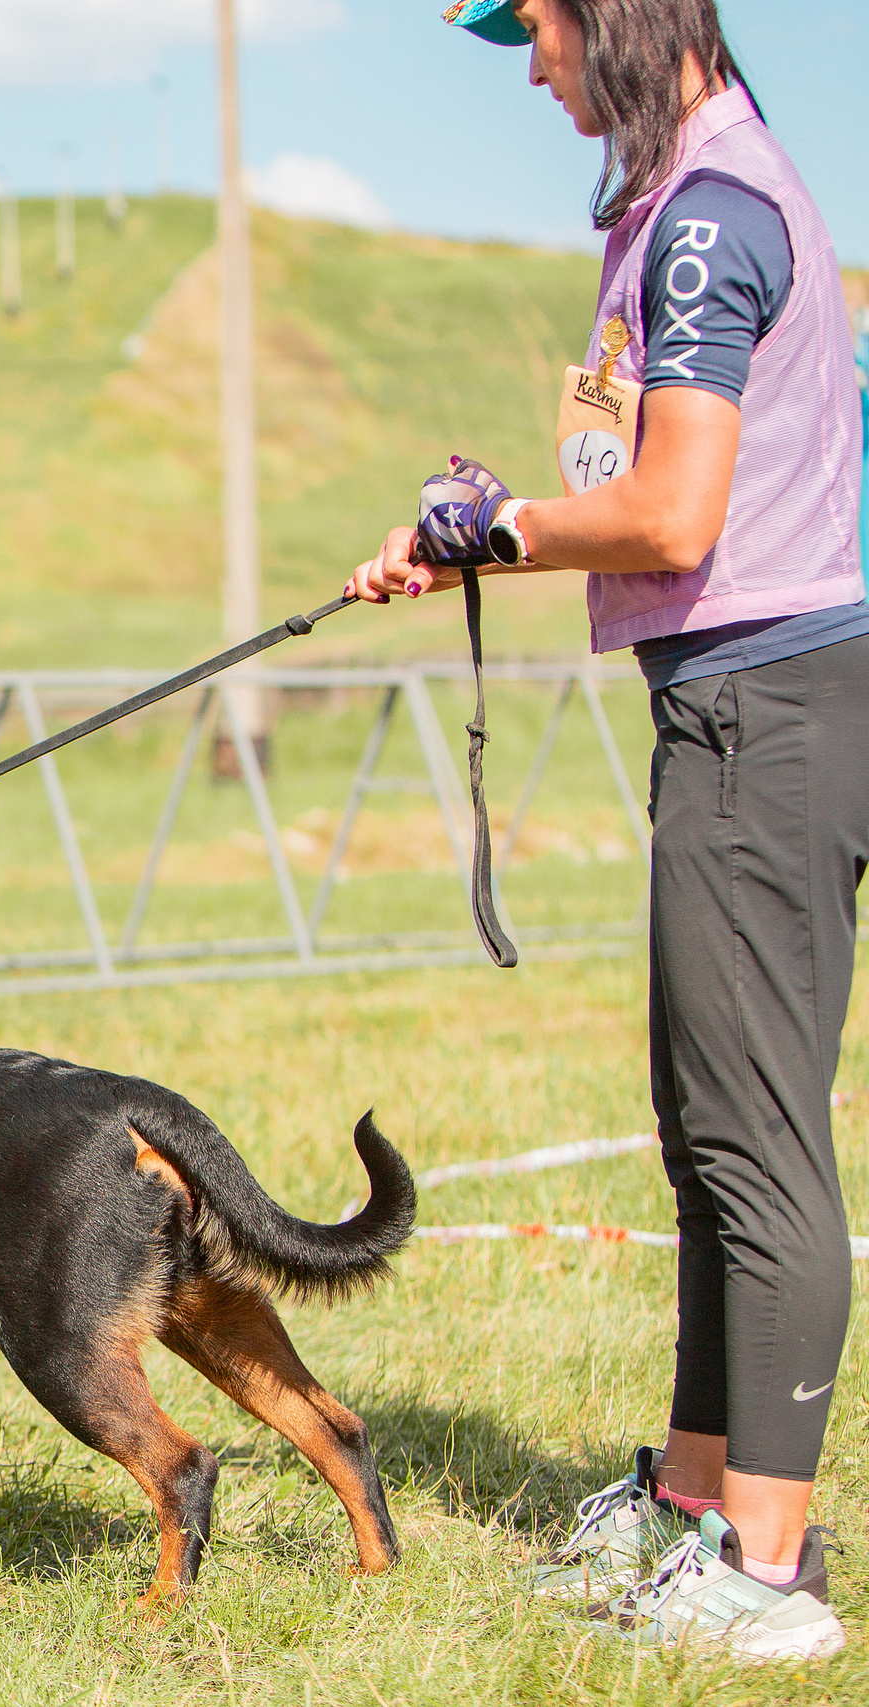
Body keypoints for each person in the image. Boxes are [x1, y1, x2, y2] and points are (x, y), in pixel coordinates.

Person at [351, 2, 862, 1660]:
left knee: (755, 1141)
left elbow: (674, 512)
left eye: (542, 25)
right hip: (744, 703)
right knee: (707, 1128)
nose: (531, 63)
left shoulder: (713, 213)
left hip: (766, 712)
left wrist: (498, 530)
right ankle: (697, 1493)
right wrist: (486, 527)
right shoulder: (685, 192)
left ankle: (764, 1575)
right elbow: (638, 470)